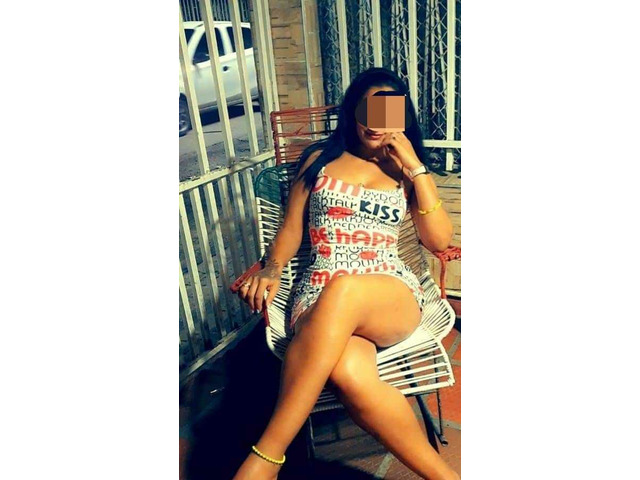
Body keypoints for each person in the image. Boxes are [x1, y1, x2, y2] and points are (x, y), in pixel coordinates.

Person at [233, 67, 459, 480]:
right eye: (367, 110)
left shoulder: (404, 170)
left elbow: (439, 240)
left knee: (347, 288)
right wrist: (272, 267)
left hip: (390, 293)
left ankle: (265, 459)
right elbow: (291, 230)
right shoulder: (319, 159)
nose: (375, 123)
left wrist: (415, 168)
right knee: (350, 373)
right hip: (317, 292)